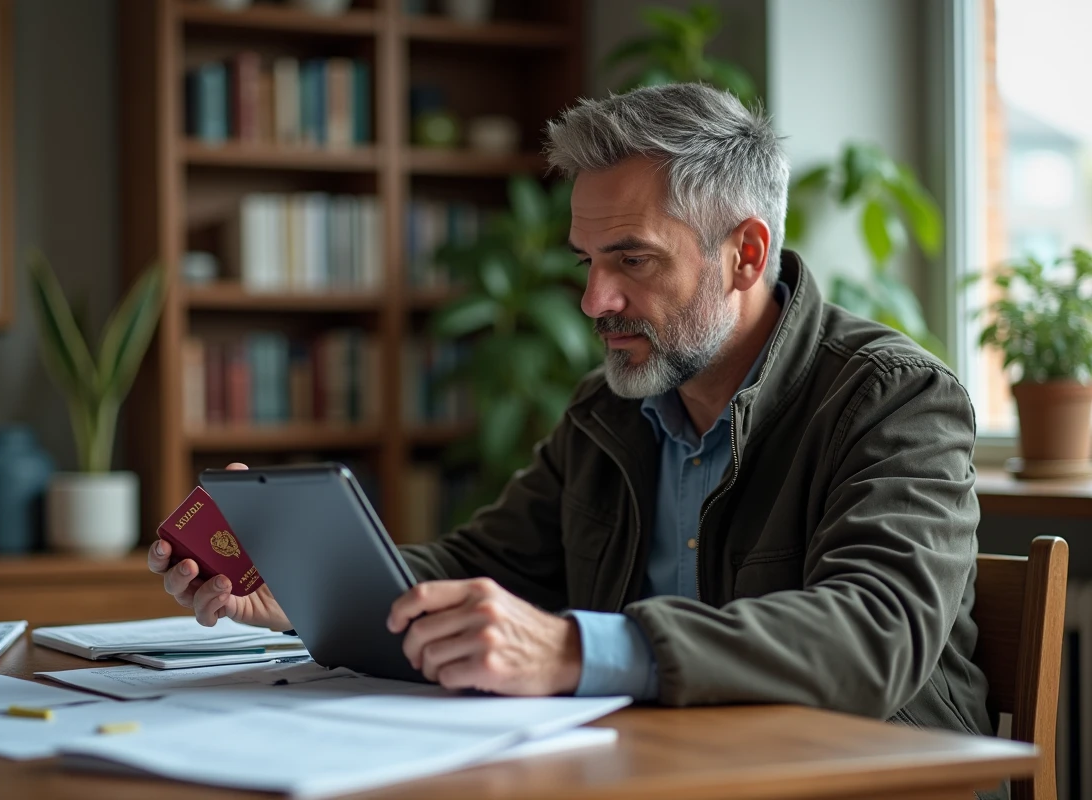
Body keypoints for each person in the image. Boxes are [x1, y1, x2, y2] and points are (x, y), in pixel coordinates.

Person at [148, 83, 992, 741]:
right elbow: (482, 565)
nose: (594, 299)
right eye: (588, 259)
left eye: (632, 259)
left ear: (745, 254)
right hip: (666, 765)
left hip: (869, 776)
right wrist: (303, 584)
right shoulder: (611, 409)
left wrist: (575, 652)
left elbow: (879, 629)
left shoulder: (894, 398)